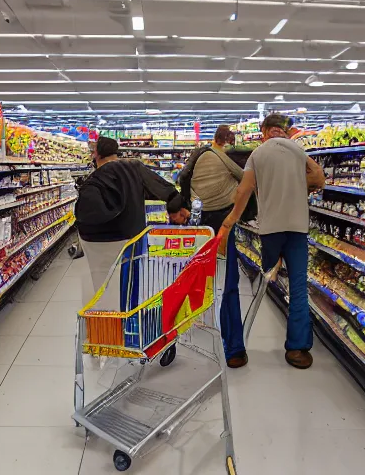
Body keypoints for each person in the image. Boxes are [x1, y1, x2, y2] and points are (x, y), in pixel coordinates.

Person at [220, 114, 325, 369]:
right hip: (297, 229)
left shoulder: (258, 154)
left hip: (271, 230)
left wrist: (230, 221)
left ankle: (240, 346)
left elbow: (244, 190)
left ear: (265, 130)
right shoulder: (298, 150)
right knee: (299, 287)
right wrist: (299, 186)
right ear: (285, 131)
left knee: (264, 281)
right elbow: (319, 178)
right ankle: (298, 350)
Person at [75, 136, 190, 292]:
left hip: (96, 242)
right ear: (116, 152)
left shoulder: (92, 180)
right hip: (130, 237)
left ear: (97, 154)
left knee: (103, 283)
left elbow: (82, 214)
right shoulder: (133, 167)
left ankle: (105, 307)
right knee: (131, 280)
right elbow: (161, 187)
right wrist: (176, 207)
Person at [179, 125, 247, 368]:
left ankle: (190, 326)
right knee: (228, 282)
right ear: (227, 141)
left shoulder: (198, 155)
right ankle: (234, 348)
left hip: (199, 225)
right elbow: (246, 179)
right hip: (223, 226)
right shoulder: (224, 158)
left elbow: (182, 180)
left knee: (197, 275)